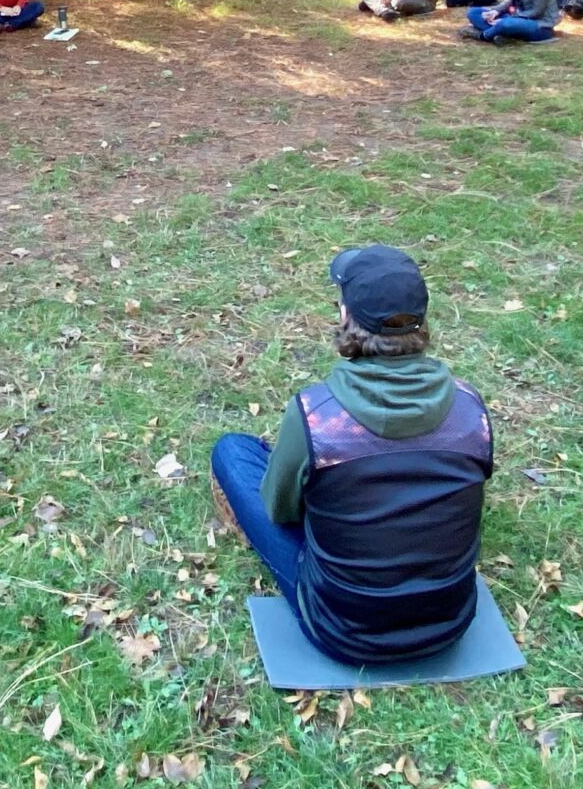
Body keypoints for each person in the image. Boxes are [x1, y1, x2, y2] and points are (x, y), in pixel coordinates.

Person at [210, 246, 492, 665]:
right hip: (449, 623)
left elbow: (281, 511)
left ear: (346, 317)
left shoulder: (315, 417)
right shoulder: (471, 409)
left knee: (233, 452)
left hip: (340, 629)